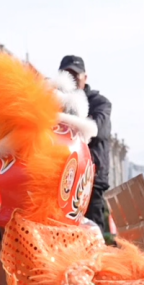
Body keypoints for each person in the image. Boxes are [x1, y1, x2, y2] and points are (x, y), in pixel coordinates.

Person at [58, 55, 111, 229]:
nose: (71, 80)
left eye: (75, 76)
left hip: (91, 181)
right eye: (67, 75)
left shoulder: (100, 103)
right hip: (61, 179)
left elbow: (96, 129)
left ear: (85, 78)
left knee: (92, 232)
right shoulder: (55, 101)